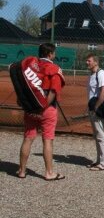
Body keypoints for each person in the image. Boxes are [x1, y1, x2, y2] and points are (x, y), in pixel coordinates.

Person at [16, 43, 66, 181]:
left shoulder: (29, 66)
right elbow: (53, 92)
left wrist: (28, 105)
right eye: (54, 53)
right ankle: (49, 173)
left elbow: (23, 87)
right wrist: (42, 107)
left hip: (30, 108)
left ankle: (21, 171)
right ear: (50, 54)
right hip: (47, 110)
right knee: (47, 141)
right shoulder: (54, 69)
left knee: (28, 138)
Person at [86, 53, 104, 171]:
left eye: (89, 61)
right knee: (97, 135)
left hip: (98, 109)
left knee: (101, 135)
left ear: (95, 62)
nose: (87, 62)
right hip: (93, 108)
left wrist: (96, 106)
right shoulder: (92, 74)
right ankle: (99, 161)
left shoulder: (101, 73)